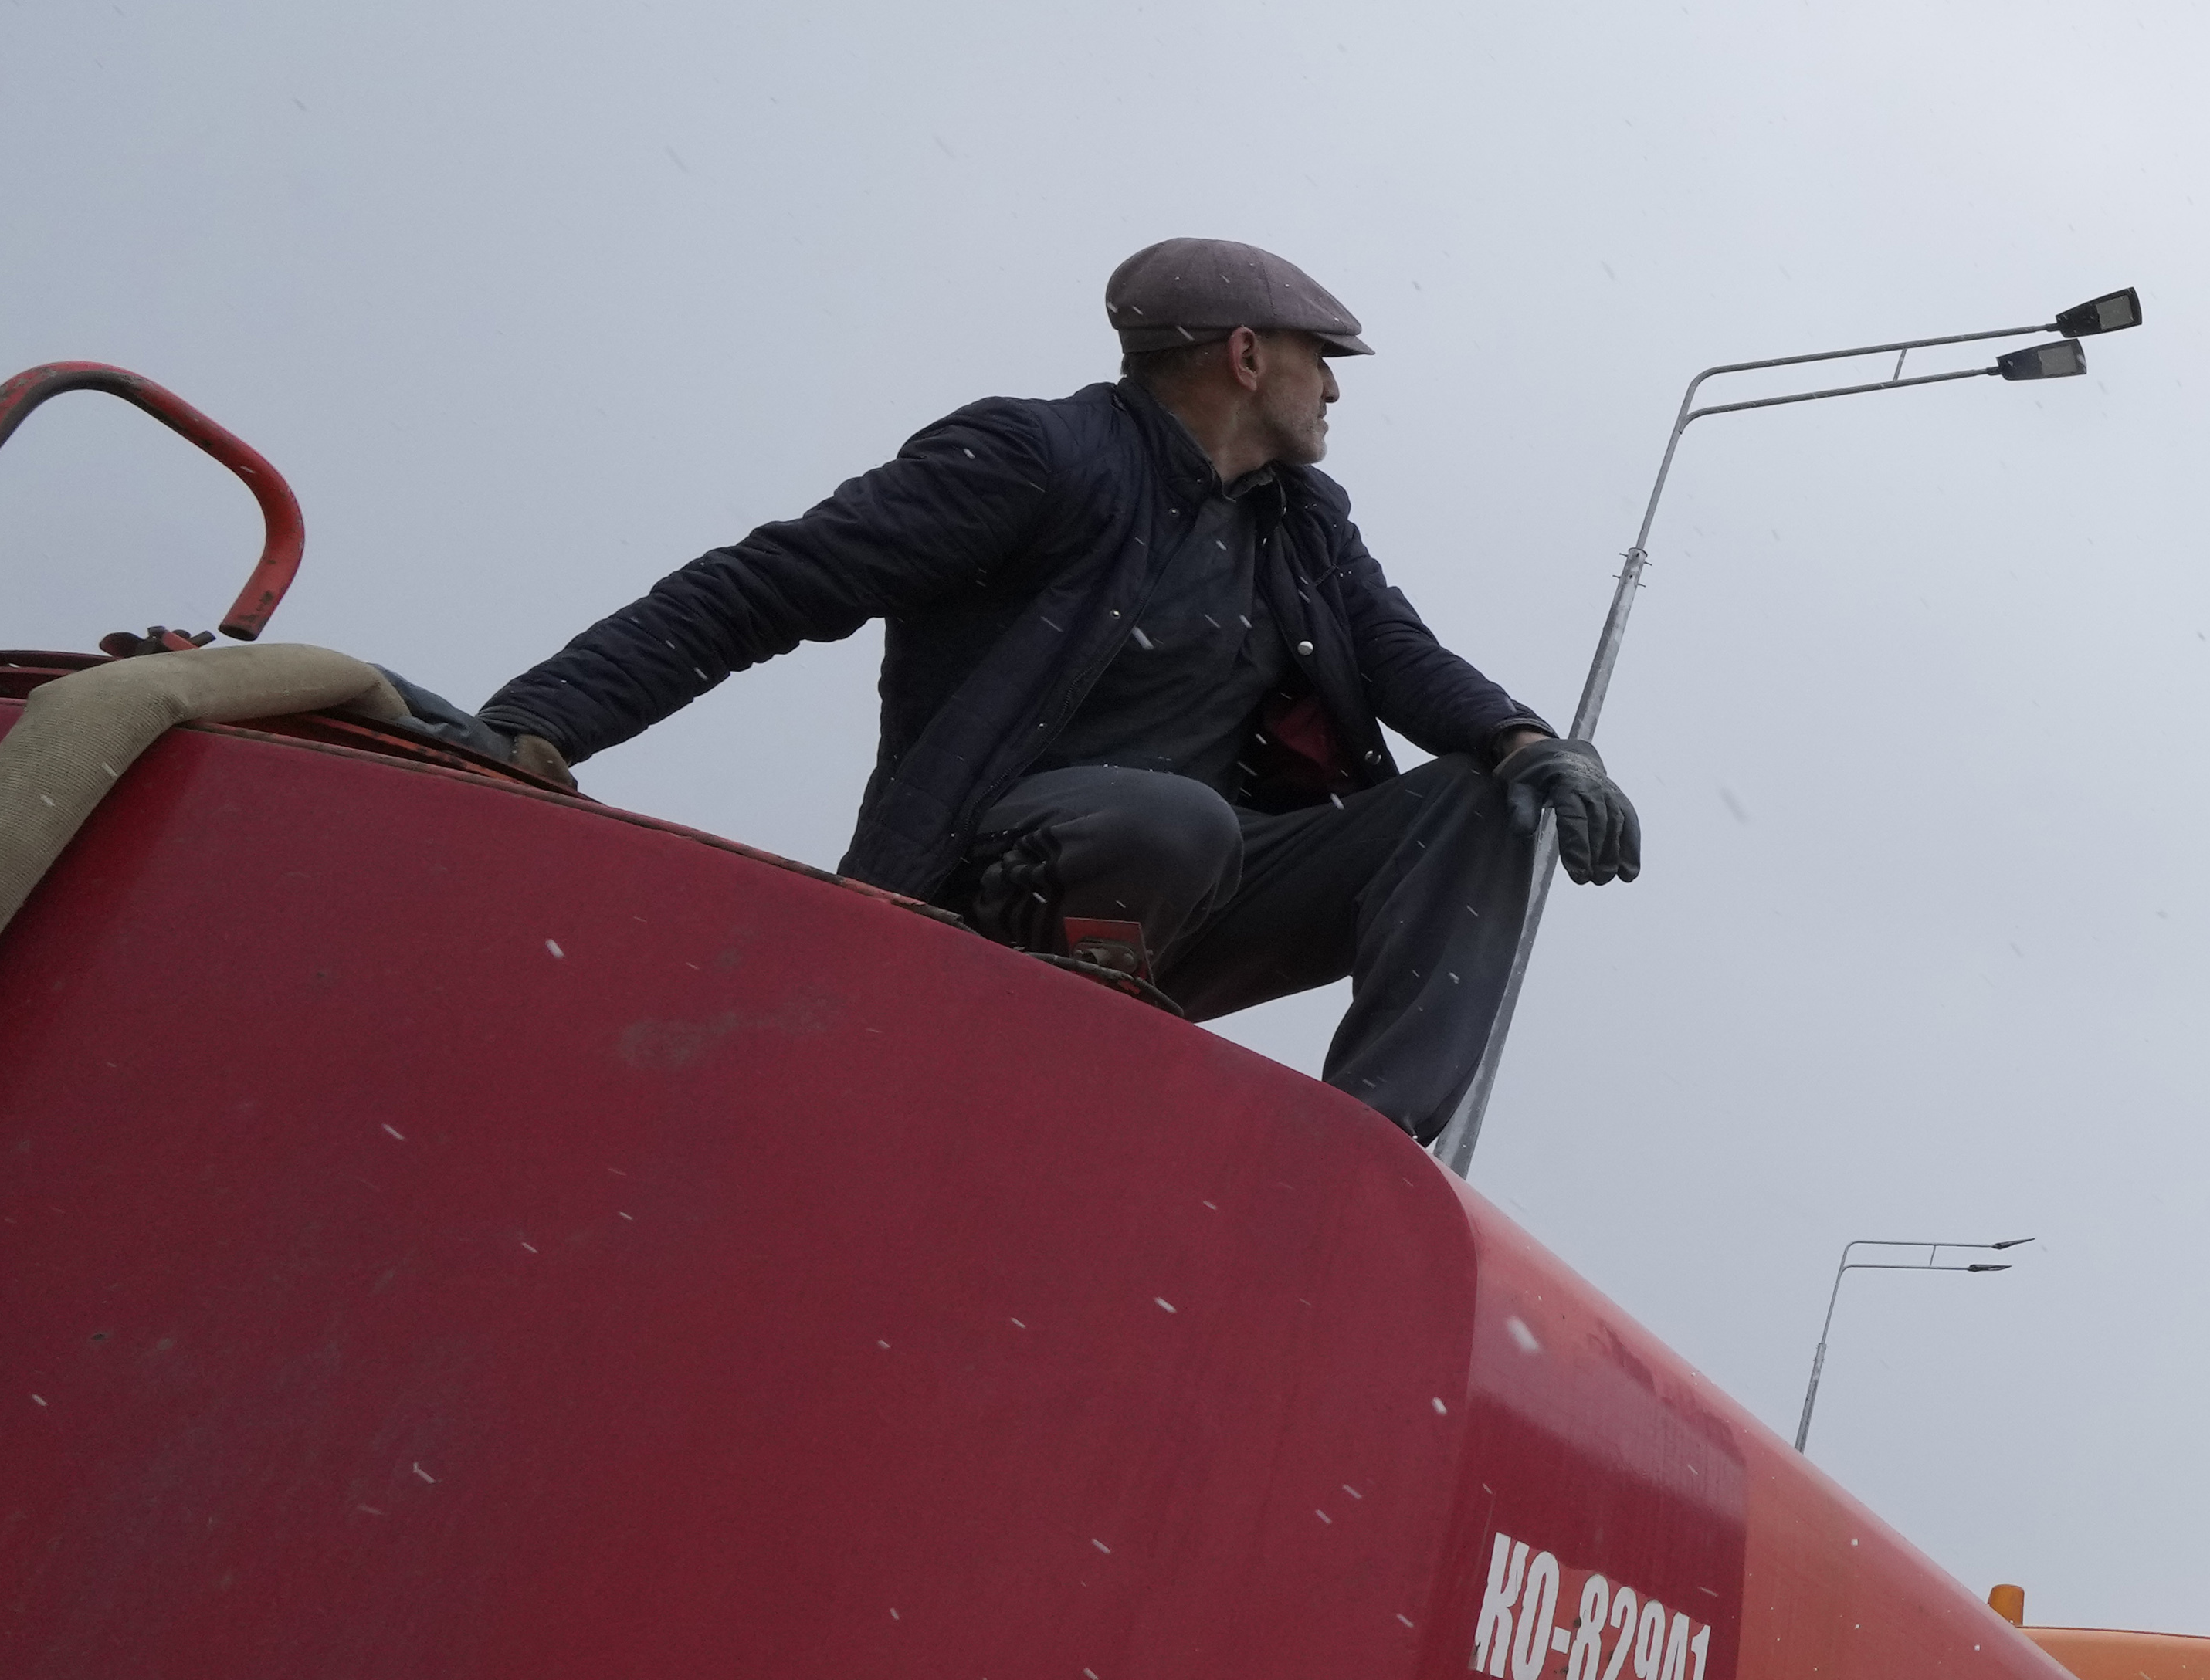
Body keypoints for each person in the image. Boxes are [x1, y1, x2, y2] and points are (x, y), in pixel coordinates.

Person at [480, 236, 1639, 1147]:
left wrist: (1534, 745)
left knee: (1488, 799)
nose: (1334, 385)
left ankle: (1359, 1148)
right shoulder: (1039, 458)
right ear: (1244, 355)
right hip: (999, 886)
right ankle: (1068, 997)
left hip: (1194, 900)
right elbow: (768, 585)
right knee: (1169, 819)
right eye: (1318, 355)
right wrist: (539, 720)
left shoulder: (1303, 525)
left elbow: (1401, 655)